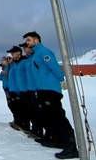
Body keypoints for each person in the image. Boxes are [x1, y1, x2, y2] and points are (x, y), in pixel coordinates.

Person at [23, 31, 78, 159]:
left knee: (59, 118)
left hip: (50, 90)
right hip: (42, 90)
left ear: (36, 40)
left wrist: (61, 80)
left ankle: (71, 147)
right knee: (50, 117)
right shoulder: (36, 55)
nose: (27, 43)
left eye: (29, 40)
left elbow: (54, 67)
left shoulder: (44, 52)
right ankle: (57, 140)